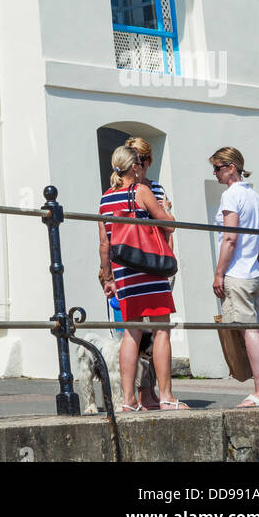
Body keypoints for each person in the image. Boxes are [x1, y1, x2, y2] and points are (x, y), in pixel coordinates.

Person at [99, 145, 188, 411]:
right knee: (161, 330)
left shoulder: (105, 199)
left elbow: (104, 244)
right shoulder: (141, 191)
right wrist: (166, 209)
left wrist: (107, 276)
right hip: (149, 268)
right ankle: (167, 397)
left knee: (131, 333)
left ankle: (129, 401)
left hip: (125, 272)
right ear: (135, 167)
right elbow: (167, 224)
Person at [210, 146, 259, 407]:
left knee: (249, 331)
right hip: (254, 272)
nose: (215, 173)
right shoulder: (253, 195)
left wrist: (219, 274)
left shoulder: (231, 196)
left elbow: (230, 238)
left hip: (237, 272)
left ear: (231, 168)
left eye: (217, 168)